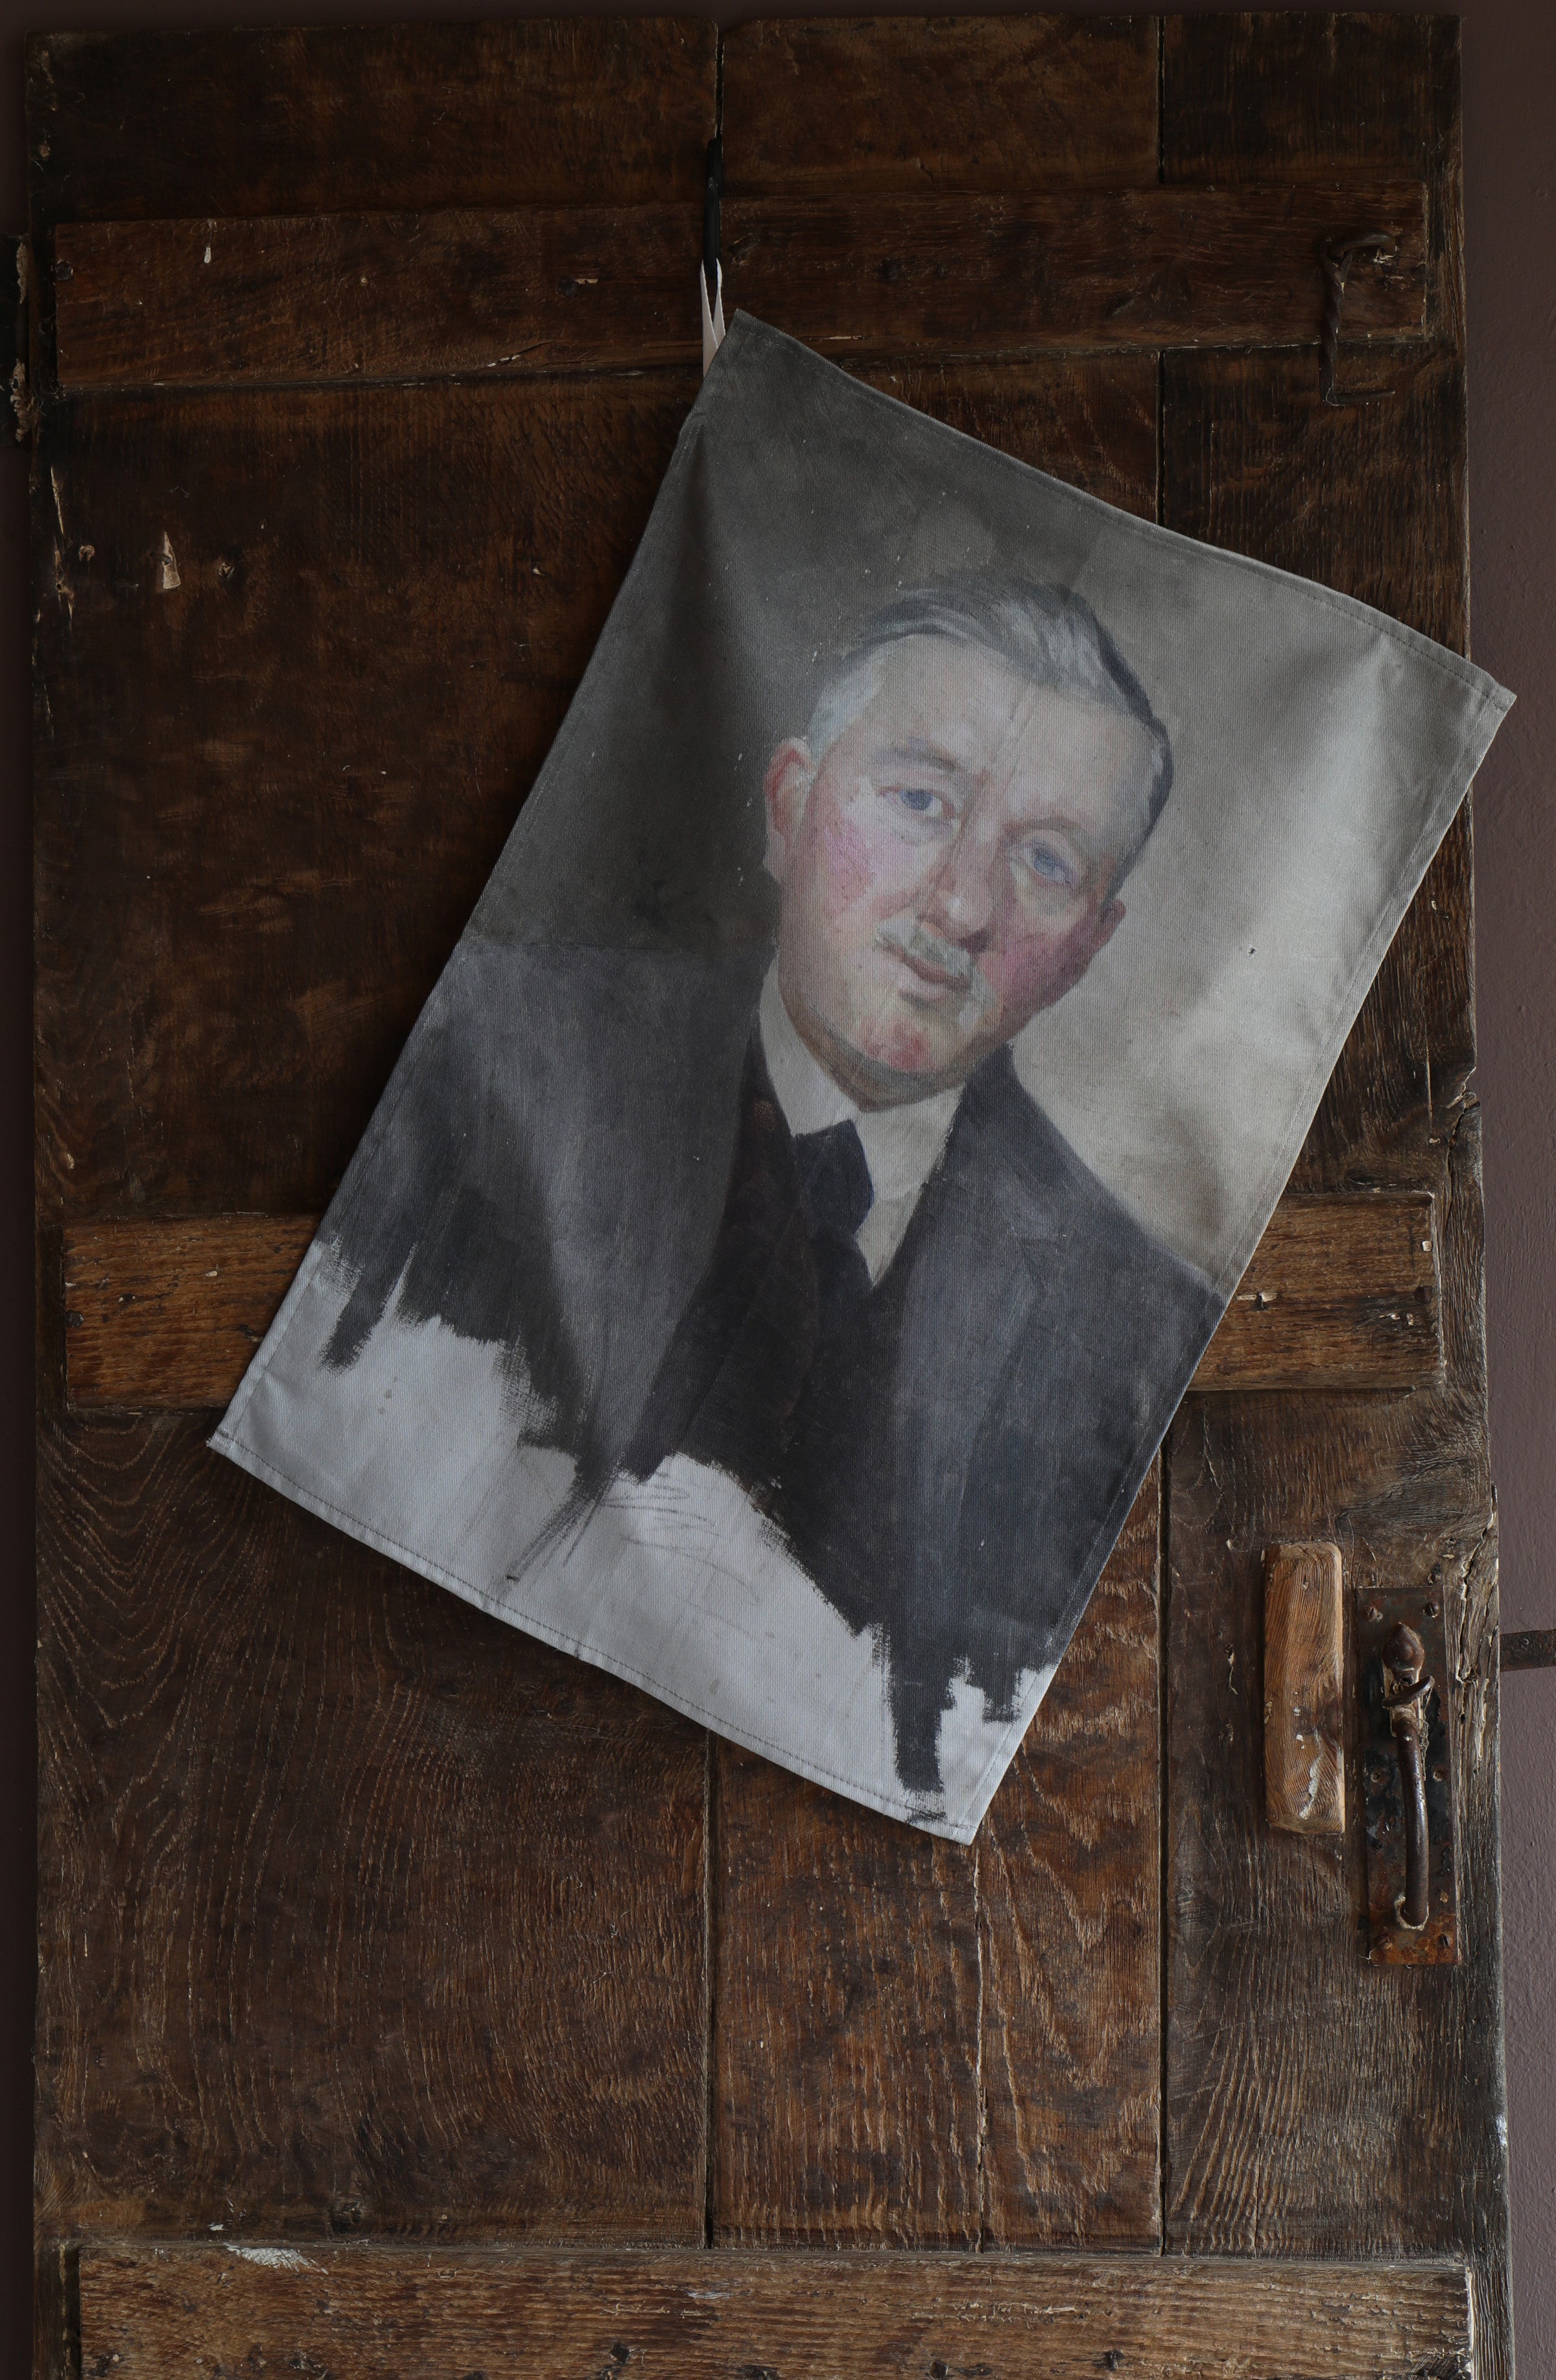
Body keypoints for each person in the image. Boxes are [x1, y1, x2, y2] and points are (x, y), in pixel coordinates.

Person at [318, 580, 1220, 1794]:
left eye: (1044, 860)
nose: (959, 906)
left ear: (1089, 948)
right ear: (789, 808)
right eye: (920, 801)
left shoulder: (1130, 1325)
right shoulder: (491, 1063)